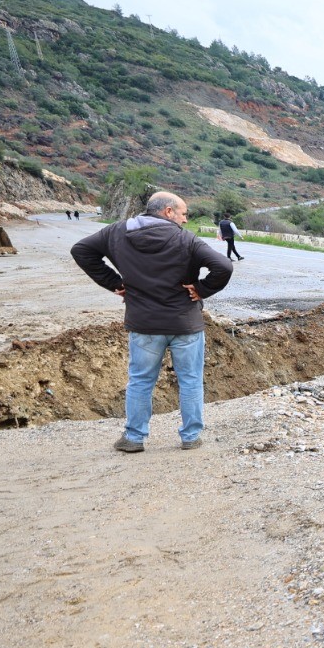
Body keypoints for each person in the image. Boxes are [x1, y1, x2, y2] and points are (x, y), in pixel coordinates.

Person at [71, 191, 233, 453]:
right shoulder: (186, 239)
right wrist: (201, 290)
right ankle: (190, 437)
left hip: (144, 323)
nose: (184, 220)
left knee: (140, 380)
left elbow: (81, 250)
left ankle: (134, 438)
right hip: (185, 324)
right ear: (168, 212)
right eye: (183, 214)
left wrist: (115, 283)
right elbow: (223, 267)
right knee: (190, 380)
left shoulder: (116, 232)